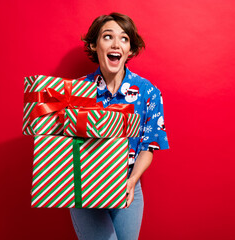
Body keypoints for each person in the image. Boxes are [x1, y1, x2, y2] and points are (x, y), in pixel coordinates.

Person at [70, 12, 169, 240]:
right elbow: (64, 143)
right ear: (95, 45)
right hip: (85, 182)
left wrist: (132, 180)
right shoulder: (76, 92)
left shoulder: (148, 92)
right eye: (107, 37)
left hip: (127, 183)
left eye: (124, 38)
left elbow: (149, 146)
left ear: (130, 50)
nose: (116, 44)